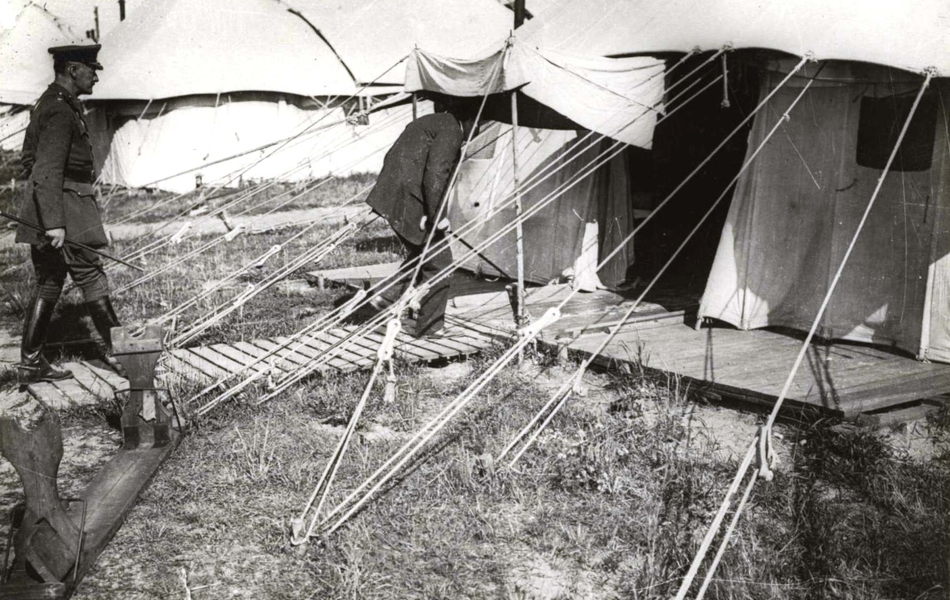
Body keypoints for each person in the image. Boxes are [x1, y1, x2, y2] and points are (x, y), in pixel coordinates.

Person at [15, 44, 125, 384]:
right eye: (91, 69)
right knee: (91, 277)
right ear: (73, 70)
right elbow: (45, 168)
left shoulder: (50, 105)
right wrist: (56, 222)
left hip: (54, 205)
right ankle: (128, 360)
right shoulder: (60, 111)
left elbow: (29, 161)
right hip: (65, 211)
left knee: (49, 280)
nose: (95, 75)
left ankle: (31, 362)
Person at [364, 101, 477, 338]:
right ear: (468, 119)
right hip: (409, 199)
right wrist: (438, 218)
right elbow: (436, 173)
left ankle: (383, 299)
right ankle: (431, 329)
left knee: (421, 254)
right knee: (440, 261)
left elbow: (399, 159)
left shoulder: (431, 122)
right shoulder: (451, 129)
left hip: (395, 196)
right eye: (477, 125)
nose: (475, 131)